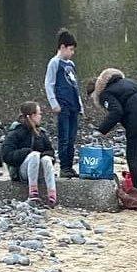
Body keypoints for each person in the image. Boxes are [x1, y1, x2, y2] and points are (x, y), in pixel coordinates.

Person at [85, 69, 137, 195]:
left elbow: (116, 112)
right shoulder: (127, 82)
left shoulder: (104, 94)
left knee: (132, 159)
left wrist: (101, 130)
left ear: (94, 92)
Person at [0, 102, 58, 208]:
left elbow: (51, 151)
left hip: (39, 170)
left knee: (46, 159)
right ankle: (33, 192)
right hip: (21, 172)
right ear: (32, 115)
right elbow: (6, 155)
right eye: (39, 114)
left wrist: (45, 155)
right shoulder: (15, 133)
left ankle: (52, 194)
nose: (41, 116)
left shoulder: (41, 133)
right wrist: (27, 152)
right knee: (34, 155)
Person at [44, 28, 83, 178]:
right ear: (62, 47)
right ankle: (64, 166)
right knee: (64, 137)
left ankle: (69, 165)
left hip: (73, 105)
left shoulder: (71, 64)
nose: (72, 52)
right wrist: (54, 103)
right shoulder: (54, 63)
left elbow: (75, 86)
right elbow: (49, 84)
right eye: (70, 49)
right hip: (63, 105)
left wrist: (80, 105)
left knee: (72, 137)